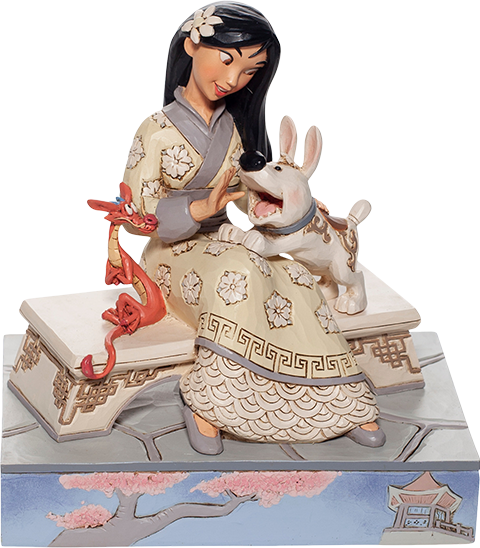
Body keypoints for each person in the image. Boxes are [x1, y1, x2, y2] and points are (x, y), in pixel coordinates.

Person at [123, 2, 385, 454]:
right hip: (171, 251)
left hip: (230, 239)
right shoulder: (155, 129)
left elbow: (248, 199)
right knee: (240, 273)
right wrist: (198, 209)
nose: (233, 79)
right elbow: (136, 215)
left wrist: (295, 203)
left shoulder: (236, 127)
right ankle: (211, 401)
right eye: (227, 59)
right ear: (191, 46)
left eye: (250, 71)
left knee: (294, 272)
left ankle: (333, 396)